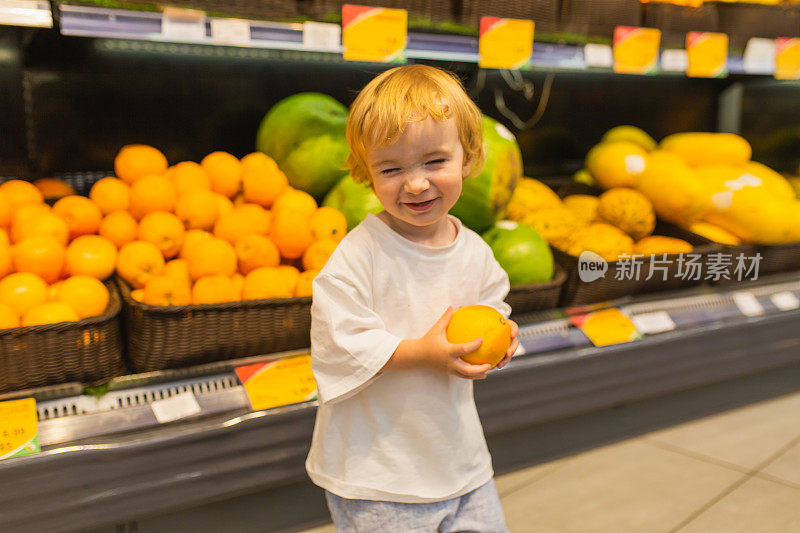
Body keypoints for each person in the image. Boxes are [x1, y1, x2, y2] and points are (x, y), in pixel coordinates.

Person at [305, 64, 519, 532]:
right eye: (392, 168)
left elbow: (492, 305)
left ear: (468, 158)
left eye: (434, 162)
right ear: (367, 173)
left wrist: (504, 332)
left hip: (457, 458)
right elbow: (338, 341)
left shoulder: (474, 250)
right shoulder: (360, 255)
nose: (416, 183)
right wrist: (423, 352)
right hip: (379, 471)